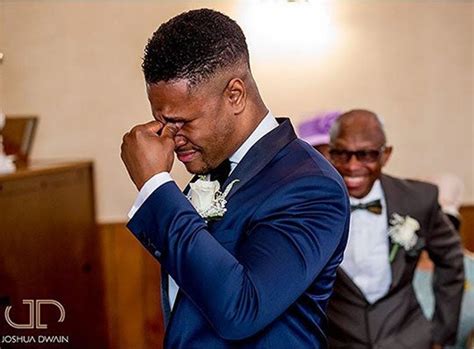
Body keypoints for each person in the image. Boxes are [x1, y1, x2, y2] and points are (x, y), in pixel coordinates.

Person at [120, 9, 350, 348]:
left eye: (183, 121)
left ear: (235, 95)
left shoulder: (310, 185)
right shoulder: (208, 168)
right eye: (162, 121)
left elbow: (241, 309)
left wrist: (155, 186)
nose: (171, 136)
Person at [325, 109, 465, 349]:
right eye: (342, 154)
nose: (352, 166)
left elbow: (451, 261)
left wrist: (441, 334)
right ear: (330, 153)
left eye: (366, 154)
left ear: (385, 155)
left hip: (409, 339)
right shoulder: (312, 205)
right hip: (335, 340)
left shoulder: (418, 199)